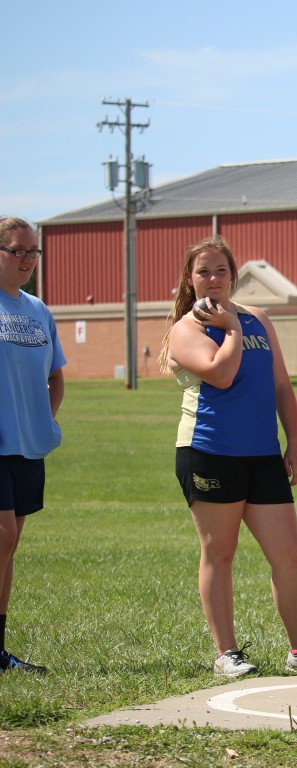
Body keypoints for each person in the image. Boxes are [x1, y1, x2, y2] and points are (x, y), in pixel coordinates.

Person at [157, 235, 297, 678]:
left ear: (233, 275)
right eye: (203, 271)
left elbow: (281, 384)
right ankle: (227, 653)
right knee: (219, 553)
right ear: (190, 279)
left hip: (262, 453)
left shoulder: (258, 318)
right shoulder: (186, 330)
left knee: (289, 554)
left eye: (221, 270)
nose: (213, 278)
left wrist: (294, 442)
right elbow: (221, 375)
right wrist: (231, 328)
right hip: (210, 451)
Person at [0, 217, 63, 675]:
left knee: (10, 546)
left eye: (33, 251)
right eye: (17, 250)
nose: (27, 259)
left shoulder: (38, 309)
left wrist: (45, 419)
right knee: (2, 538)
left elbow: (56, 376)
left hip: (27, 446)